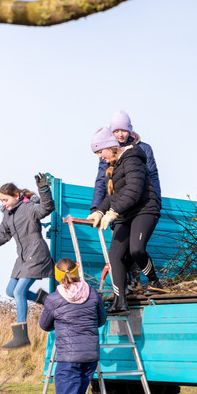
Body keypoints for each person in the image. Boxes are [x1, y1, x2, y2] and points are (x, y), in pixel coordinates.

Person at [0, 175, 54, 349]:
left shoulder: (29, 207)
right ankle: (46, 299)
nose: (4, 203)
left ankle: (21, 335)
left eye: (6, 199)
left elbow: (46, 208)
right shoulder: (8, 216)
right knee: (11, 291)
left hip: (36, 254)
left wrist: (44, 190)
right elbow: (0, 236)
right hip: (23, 258)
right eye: (1, 200)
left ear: (16, 195)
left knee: (19, 291)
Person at [86, 126, 161, 314]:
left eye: (99, 152)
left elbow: (134, 191)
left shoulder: (133, 159)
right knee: (115, 257)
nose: (99, 157)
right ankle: (120, 303)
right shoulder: (114, 166)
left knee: (136, 249)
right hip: (125, 213)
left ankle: (154, 282)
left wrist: (113, 212)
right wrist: (100, 211)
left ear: (110, 146)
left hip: (144, 209)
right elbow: (113, 195)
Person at [38, 257, 105, 394]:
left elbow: (44, 325)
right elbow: (101, 319)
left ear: (58, 276)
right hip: (90, 356)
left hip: (68, 358)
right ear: (77, 271)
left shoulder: (53, 299)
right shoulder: (92, 293)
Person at [91, 110, 161, 210]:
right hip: (118, 205)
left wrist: (157, 201)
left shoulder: (144, 148)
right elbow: (101, 180)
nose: (120, 135)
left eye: (123, 131)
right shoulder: (107, 152)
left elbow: (153, 175)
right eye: (116, 131)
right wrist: (95, 208)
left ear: (129, 131)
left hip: (142, 203)